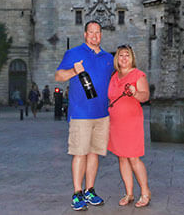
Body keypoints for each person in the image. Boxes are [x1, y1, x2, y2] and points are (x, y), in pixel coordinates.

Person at [55, 21, 114, 211]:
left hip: (102, 114)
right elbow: (58, 76)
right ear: (85, 34)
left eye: (98, 32)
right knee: (80, 153)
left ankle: (90, 190)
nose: (95, 36)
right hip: (81, 113)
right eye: (91, 32)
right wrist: (74, 71)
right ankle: (77, 192)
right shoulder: (73, 53)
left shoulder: (107, 57)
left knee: (94, 153)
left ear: (101, 35)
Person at [108, 45, 151, 208]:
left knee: (133, 157)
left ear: (132, 58)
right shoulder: (114, 76)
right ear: (117, 59)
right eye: (121, 56)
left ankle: (145, 192)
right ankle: (129, 193)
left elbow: (145, 96)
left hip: (131, 122)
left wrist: (135, 93)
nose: (124, 58)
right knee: (122, 157)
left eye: (127, 55)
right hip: (115, 123)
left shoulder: (138, 75)